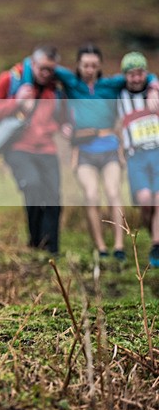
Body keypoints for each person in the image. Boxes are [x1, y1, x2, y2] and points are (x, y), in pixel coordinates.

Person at [0, 46, 68, 255]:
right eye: (42, 68)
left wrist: (64, 126)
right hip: (18, 148)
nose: (46, 73)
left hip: (47, 149)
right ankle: (35, 243)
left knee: (53, 198)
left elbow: (62, 116)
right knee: (32, 186)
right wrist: (17, 102)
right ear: (33, 63)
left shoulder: (56, 87)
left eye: (50, 69)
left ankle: (52, 250)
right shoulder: (11, 79)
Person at [51, 45, 127, 261]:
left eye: (94, 65)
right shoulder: (71, 83)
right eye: (85, 65)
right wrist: (63, 125)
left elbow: (142, 76)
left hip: (110, 148)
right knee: (92, 195)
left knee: (113, 193)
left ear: (100, 65)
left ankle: (119, 246)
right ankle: (101, 247)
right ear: (78, 65)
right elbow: (44, 65)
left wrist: (154, 87)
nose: (89, 70)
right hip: (84, 150)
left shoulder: (110, 85)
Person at [116, 52, 159, 268]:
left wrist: (154, 86)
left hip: (157, 152)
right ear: (125, 75)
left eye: (140, 73)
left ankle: (156, 244)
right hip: (136, 155)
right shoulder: (118, 95)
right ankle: (154, 233)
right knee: (145, 200)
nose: (136, 78)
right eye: (131, 74)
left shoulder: (154, 92)